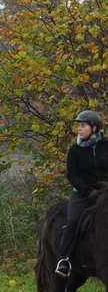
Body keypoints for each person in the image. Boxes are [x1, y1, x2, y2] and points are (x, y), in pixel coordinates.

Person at [55, 110, 108, 277]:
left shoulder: (106, 146)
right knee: (73, 221)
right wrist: (88, 191)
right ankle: (64, 260)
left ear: (94, 128)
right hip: (83, 194)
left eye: (83, 125)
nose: (79, 129)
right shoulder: (75, 150)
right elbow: (72, 174)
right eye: (78, 125)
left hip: (106, 193)